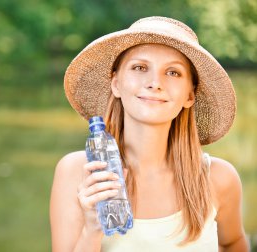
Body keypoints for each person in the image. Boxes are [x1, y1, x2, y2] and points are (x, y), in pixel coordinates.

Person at [49, 16, 249, 252]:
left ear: (189, 96)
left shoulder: (219, 179)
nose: (155, 82)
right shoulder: (79, 173)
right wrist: (92, 229)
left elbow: (233, 243)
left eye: (173, 73)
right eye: (140, 67)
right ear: (116, 83)